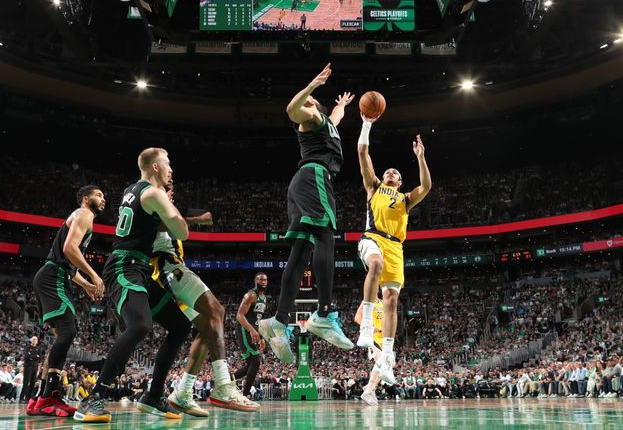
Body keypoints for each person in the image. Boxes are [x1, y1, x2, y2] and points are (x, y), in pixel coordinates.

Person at [75, 148, 189, 423]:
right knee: (139, 325)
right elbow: (183, 231)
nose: (171, 169)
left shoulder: (132, 190)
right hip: (124, 267)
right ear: (154, 168)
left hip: (138, 269)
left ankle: (153, 395)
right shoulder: (153, 193)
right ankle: (94, 397)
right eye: (168, 163)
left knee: (181, 325)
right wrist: (172, 205)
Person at [259, 63, 356, 362]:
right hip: (314, 178)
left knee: (300, 252)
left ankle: (278, 321)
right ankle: (324, 313)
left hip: (302, 183)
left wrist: (341, 106)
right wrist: (312, 85)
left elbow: (334, 119)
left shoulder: (326, 122)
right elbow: (291, 110)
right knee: (325, 237)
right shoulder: (310, 116)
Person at [148, 182, 258, 416]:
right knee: (217, 311)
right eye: (168, 188)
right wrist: (196, 220)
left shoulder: (167, 209)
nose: (172, 192)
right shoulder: (153, 206)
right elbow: (160, 225)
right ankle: (223, 386)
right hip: (167, 267)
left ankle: (183, 392)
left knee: (209, 327)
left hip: (169, 270)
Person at [354, 114, 432, 395]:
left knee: (392, 300)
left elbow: (426, 187)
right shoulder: (374, 187)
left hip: (396, 247)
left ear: (400, 182)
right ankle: (365, 328)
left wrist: (421, 158)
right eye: (388, 171)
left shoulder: (406, 199)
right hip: (372, 238)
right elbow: (363, 152)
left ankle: (386, 357)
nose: (391, 173)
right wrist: (367, 124)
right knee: (374, 264)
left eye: (396, 173)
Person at [28, 185, 106, 418]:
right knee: (68, 330)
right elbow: (69, 249)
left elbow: (69, 263)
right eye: (99, 195)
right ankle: (49, 397)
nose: (103, 199)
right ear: (86, 199)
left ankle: (39, 397)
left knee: (60, 337)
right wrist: (94, 274)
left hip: (55, 275)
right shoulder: (84, 214)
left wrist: (87, 286)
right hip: (54, 278)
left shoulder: (82, 217)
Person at [234, 273, 268, 399]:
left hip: (252, 331)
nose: (263, 281)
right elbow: (239, 315)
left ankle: (225, 382)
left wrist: (261, 336)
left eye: (265, 280)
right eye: (260, 279)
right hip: (244, 330)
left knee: (250, 365)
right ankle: (245, 395)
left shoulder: (263, 298)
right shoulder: (251, 295)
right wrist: (252, 331)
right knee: (256, 360)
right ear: (255, 281)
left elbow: (257, 320)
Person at [354, 297, 384, 405]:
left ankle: (370, 388)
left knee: (388, 366)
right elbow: (357, 318)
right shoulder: (366, 301)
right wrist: (370, 326)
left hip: (383, 338)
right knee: (381, 362)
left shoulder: (382, 302)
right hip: (372, 337)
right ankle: (368, 391)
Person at [21, 336, 42, 403]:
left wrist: (32, 357)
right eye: (33, 339)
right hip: (28, 366)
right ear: (31, 340)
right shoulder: (27, 348)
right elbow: (27, 356)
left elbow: (40, 358)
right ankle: (21, 397)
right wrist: (35, 356)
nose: (35, 341)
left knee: (33, 383)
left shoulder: (38, 349)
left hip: (35, 367)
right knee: (26, 382)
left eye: (36, 340)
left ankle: (29, 397)